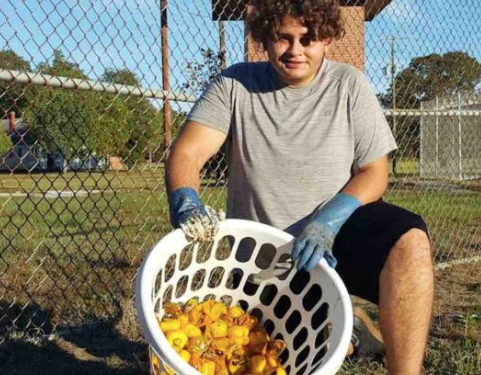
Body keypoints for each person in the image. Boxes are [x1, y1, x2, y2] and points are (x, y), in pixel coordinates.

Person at [165, 0, 434, 374]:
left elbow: (374, 171)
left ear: (327, 40)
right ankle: (347, 327)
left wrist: (328, 221)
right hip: (264, 263)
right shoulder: (234, 84)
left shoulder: (349, 84)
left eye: (307, 39)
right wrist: (185, 199)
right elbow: (187, 152)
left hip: (335, 241)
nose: (295, 50)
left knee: (410, 241)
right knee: (278, 360)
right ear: (264, 38)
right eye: (283, 38)